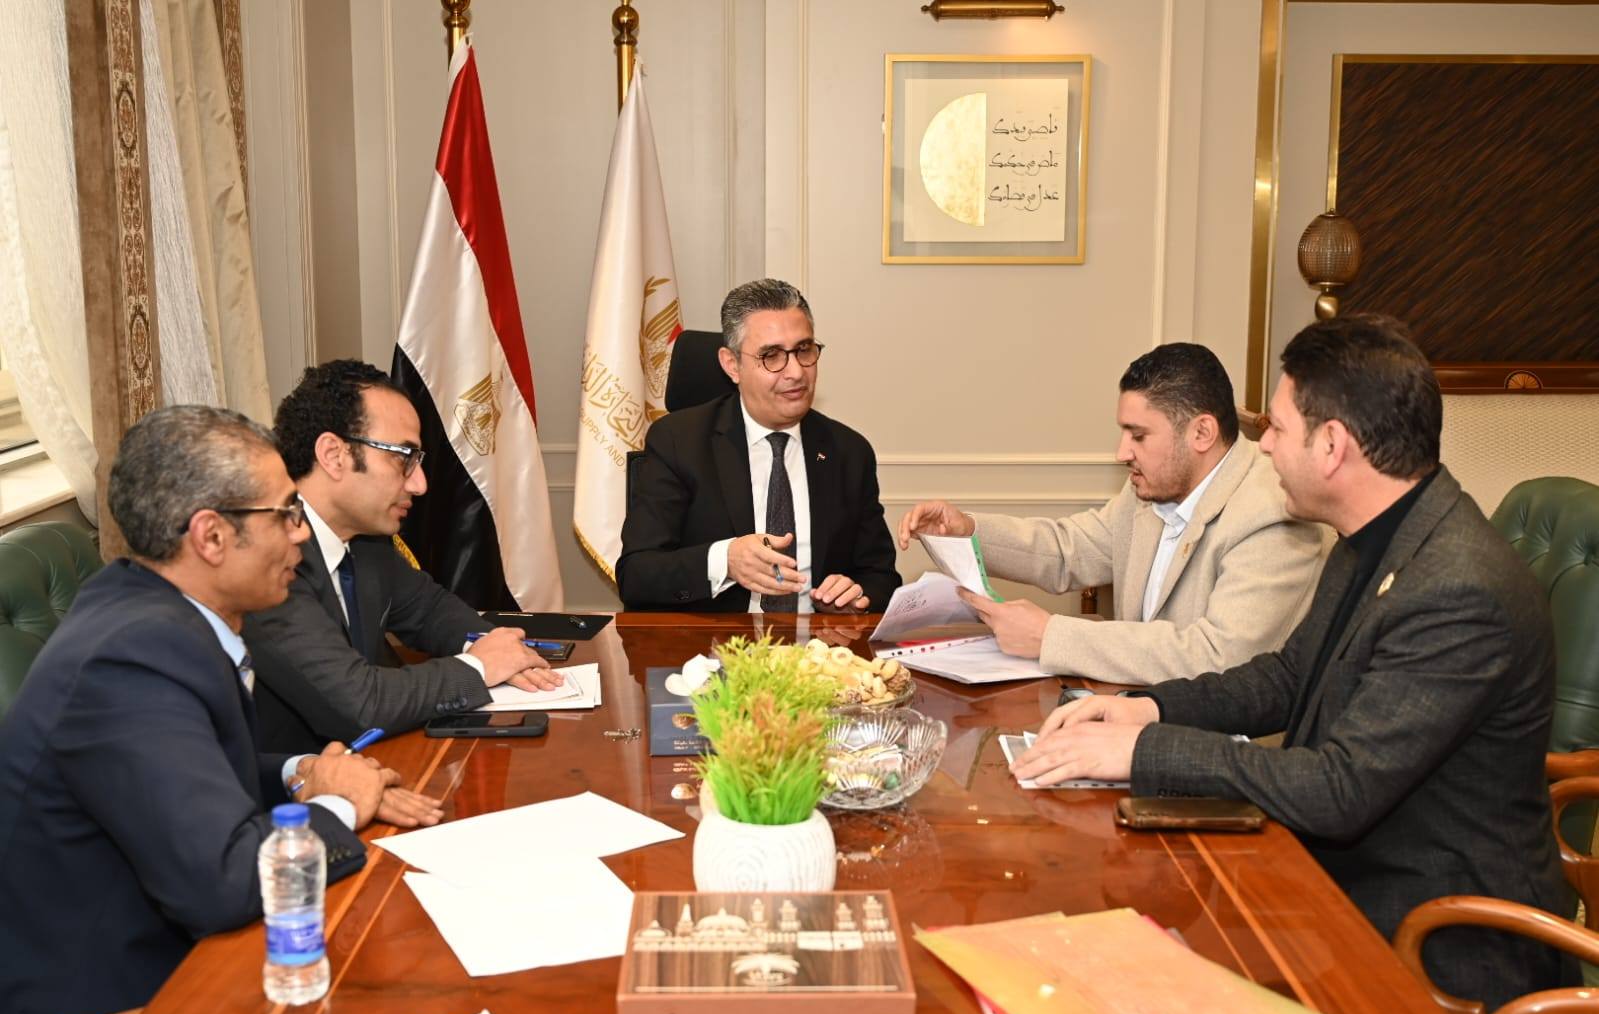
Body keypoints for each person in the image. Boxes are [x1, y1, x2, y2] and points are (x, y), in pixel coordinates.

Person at [1014, 316, 1570, 1014]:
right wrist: (1147, 709)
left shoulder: (1458, 590)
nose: (1264, 445)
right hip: (1333, 882)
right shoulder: (1374, 536)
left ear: (1331, 445)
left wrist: (1143, 751)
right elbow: (1285, 678)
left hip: (1439, 942)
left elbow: (1339, 789)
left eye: (1276, 428)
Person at [0, 406, 443, 1014]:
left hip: (189, 956)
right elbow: (224, 884)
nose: (300, 534)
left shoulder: (151, 608)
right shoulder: (131, 660)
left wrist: (302, 771)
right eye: (285, 514)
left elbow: (188, 774)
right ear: (210, 537)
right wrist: (343, 806)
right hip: (123, 1008)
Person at [900, 343, 1326, 684]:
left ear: (1201, 432)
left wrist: (1050, 636)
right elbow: (1069, 550)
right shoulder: (1155, 483)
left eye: (1138, 436)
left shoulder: (1273, 511)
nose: (1122, 453)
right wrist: (968, 530)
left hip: (1220, 747)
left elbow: (1219, 657)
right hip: (1130, 715)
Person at [244, 361, 559, 753]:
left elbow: (430, 610)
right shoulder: (267, 557)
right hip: (294, 782)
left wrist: (497, 647)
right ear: (333, 455)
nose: (420, 484)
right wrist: (479, 667)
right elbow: (359, 704)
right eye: (403, 457)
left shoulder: (367, 541)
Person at [617, 278, 901, 613]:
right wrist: (725, 560)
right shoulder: (679, 441)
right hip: (715, 642)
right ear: (732, 365)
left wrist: (857, 594)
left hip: (816, 643)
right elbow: (636, 575)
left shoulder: (848, 451)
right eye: (771, 356)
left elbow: (881, 577)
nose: (796, 372)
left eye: (804, 350)